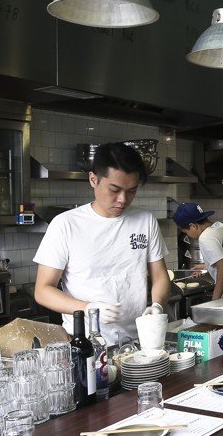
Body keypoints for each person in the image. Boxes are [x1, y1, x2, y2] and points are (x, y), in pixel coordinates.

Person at [33, 142, 171, 345]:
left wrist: (158, 305)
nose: (123, 199)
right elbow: (43, 291)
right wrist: (88, 308)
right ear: (93, 180)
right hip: (86, 343)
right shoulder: (66, 224)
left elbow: (160, 277)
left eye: (131, 191)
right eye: (114, 189)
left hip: (136, 341)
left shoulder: (145, 221)